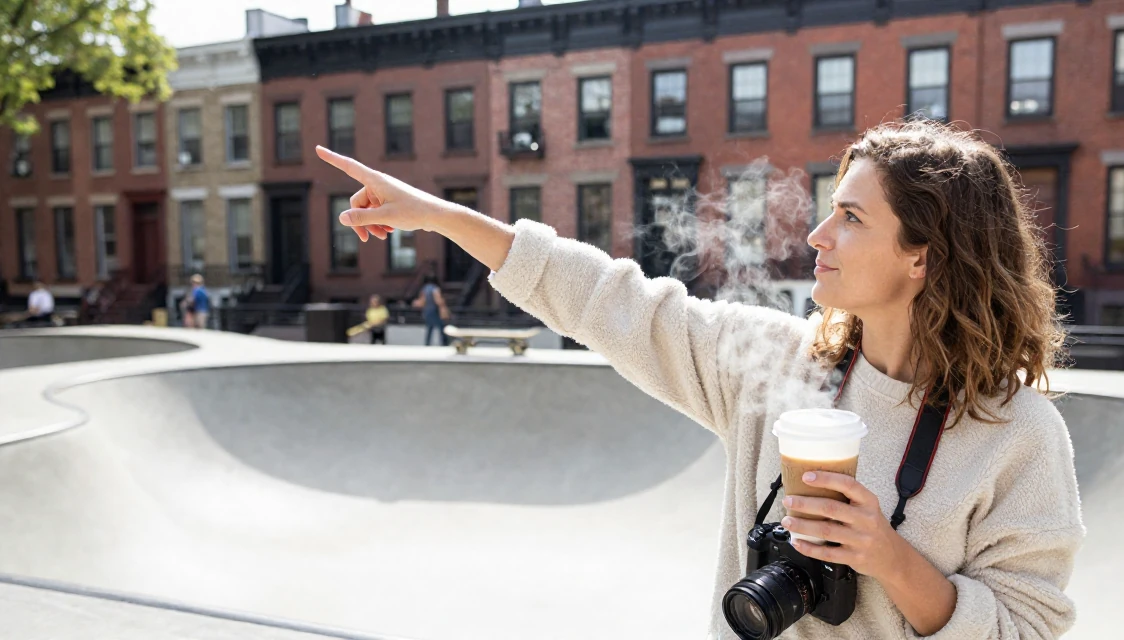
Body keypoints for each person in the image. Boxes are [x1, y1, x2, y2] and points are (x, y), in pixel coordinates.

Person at [316, 120, 1084, 639]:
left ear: (923, 255)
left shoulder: (1017, 435)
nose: (818, 234)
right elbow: (610, 299)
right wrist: (441, 217)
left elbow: (1028, 625)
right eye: (825, 212)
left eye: (850, 217)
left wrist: (887, 559)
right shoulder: (776, 365)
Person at [412, 273, 450, 346]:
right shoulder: (435, 288)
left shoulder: (424, 289)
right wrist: (443, 304)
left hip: (427, 311)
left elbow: (422, 301)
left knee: (429, 328)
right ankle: (444, 343)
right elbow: (438, 300)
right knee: (441, 327)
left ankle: (427, 343)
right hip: (435, 311)